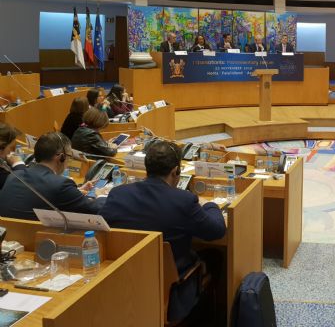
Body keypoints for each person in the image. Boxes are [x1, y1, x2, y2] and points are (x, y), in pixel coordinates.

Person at [100, 141, 226, 323]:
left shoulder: (118, 194)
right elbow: (217, 231)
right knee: (215, 255)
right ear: (176, 171)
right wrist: (210, 205)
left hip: (126, 283)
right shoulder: (184, 201)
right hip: (170, 289)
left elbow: (101, 227)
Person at [0, 132, 102, 219]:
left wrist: (75, 192)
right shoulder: (60, 185)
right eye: (69, 156)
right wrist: (101, 195)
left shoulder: (14, 175)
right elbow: (95, 210)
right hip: (39, 239)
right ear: (61, 157)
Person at [0, 123, 26, 190]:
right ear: (1, 148)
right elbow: (25, 185)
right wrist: (18, 164)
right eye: (11, 148)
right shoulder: (4, 176)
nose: (11, 152)